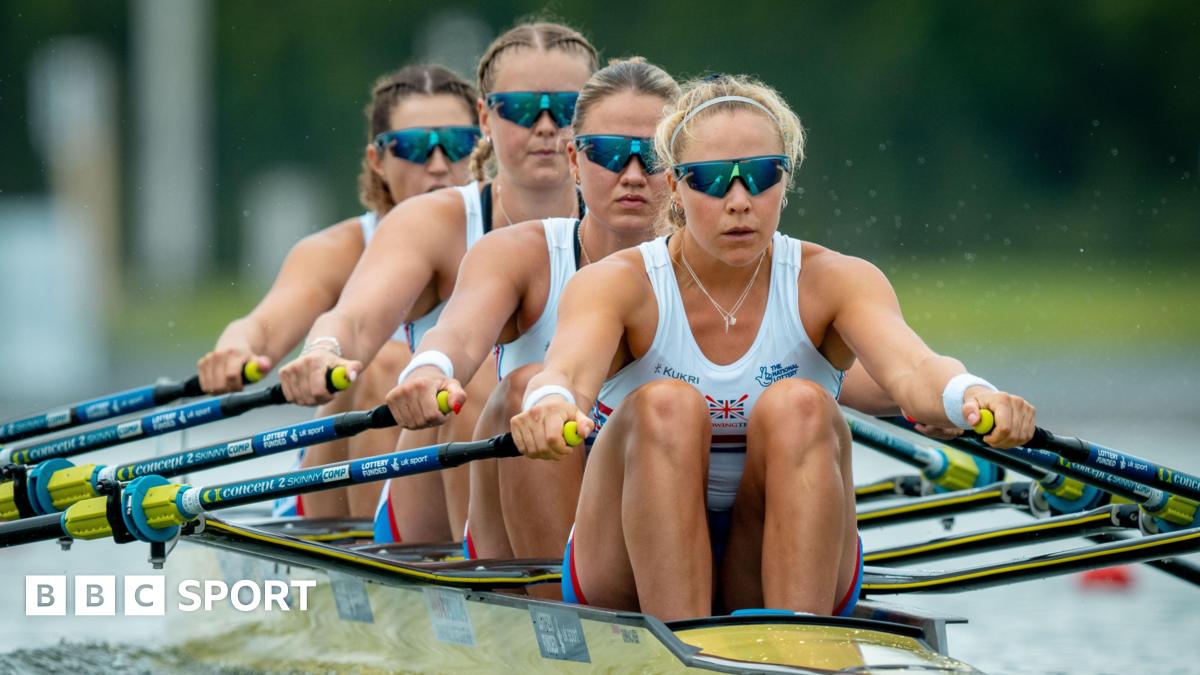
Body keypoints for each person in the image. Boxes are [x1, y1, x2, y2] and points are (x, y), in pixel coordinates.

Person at [510, 74, 1036, 621]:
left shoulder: (835, 279)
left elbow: (916, 368)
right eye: (713, 181)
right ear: (675, 185)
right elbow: (566, 373)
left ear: (785, 180)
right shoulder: (619, 283)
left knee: (802, 404)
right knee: (666, 404)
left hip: (770, 549)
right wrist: (548, 403)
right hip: (624, 561)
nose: (740, 202)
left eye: (761, 176)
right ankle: (685, 642)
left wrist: (973, 394)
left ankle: (799, 643)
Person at [277, 21, 598, 543]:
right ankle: (476, 586)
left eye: (566, 109)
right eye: (520, 108)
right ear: (485, 118)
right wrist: (325, 349)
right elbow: (357, 318)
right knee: (470, 383)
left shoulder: (641, 219)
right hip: (444, 485)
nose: (545, 126)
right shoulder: (434, 221)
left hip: (587, 465)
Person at [196, 65, 480, 525]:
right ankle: (379, 566)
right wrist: (234, 349)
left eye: (459, 143)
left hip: (451, 486)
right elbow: (260, 330)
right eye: (412, 146)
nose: (439, 163)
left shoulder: (511, 243)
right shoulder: (337, 251)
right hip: (334, 497)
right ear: (377, 160)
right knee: (384, 367)